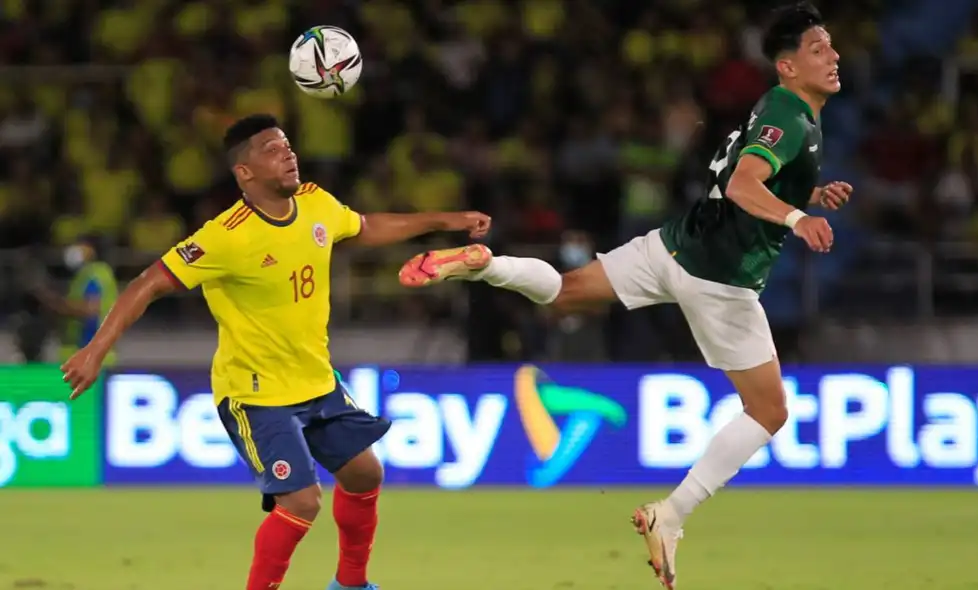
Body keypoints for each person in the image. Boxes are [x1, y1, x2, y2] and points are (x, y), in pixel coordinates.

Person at [397, 4, 849, 588]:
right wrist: (796, 218)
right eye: (818, 49)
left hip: (675, 244)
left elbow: (748, 169)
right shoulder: (791, 114)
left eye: (831, 46)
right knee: (769, 410)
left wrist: (806, 191)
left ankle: (486, 264)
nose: (834, 56)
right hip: (721, 278)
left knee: (563, 293)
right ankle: (672, 514)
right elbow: (743, 184)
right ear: (788, 66)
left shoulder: (784, 111)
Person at [61, 114, 491, 590]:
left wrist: (445, 221)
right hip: (256, 393)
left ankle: (350, 585)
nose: (287, 153)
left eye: (287, 145)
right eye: (271, 149)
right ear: (244, 173)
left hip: (316, 381)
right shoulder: (227, 235)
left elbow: (365, 226)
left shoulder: (315, 202)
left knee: (365, 474)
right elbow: (146, 284)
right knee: (301, 501)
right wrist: (95, 351)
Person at [34, 235, 119, 366]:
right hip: (85, 352)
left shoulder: (95, 274)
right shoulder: (86, 274)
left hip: (90, 353)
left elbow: (90, 309)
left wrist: (56, 305)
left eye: (80, 246)